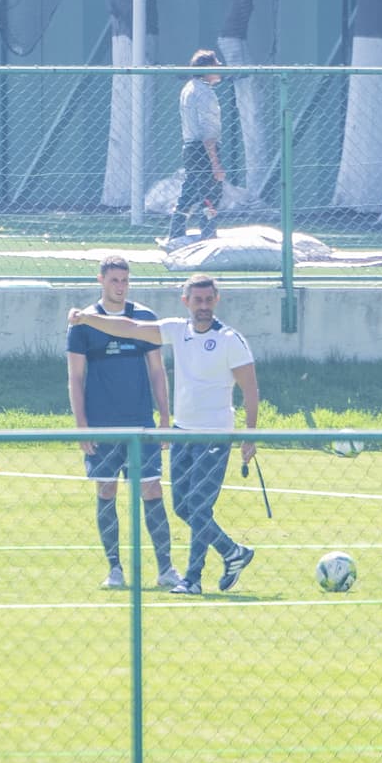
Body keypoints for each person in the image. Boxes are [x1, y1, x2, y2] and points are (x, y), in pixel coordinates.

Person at [68, 274, 258, 596]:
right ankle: (232, 551)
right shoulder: (176, 330)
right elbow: (129, 328)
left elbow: (250, 391)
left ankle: (192, 579)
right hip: (183, 433)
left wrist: (249, 436)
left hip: (214, 436)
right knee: (183, 507)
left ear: (217, 300)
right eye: (197, 300)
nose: (203, 306)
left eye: (208, 300)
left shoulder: (230, 339)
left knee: (198, 505)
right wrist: (87, 318)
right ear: (186, 302)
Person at [67, 255, 180, 590]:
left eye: (125, 280)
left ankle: (166, 569)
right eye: (114, 280)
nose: (120, 286)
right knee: (106, 488)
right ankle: (115, 569)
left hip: (140, 424)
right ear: (100, 280)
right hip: (102, 424)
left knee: (151, 488)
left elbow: (157, 371)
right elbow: (75, 376)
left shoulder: (144, 318)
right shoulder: (82, 323)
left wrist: (164, 416)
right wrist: (82, 424)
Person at [168, 49, 225, 242]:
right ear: (206, 68)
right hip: (203, 149)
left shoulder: (188, 88)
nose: (220, 68)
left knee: (190, 191)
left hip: (190, 147)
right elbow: (208, 131)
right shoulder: (204, 93)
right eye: (216, 64)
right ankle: (208, 234)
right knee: (210, 193)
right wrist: (215, 162)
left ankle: (175, 233)